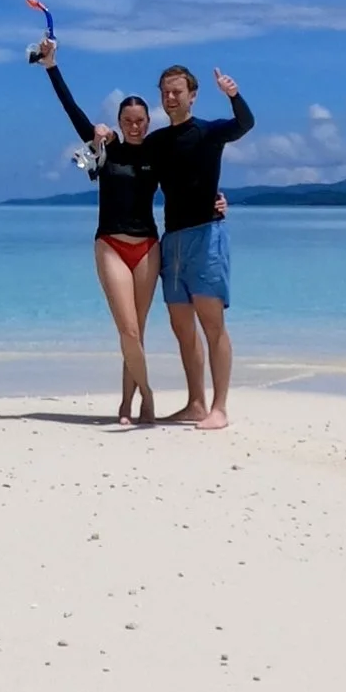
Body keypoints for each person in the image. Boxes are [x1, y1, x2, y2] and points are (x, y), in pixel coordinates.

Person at [31, 37, 163, 425]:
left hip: (148, 247)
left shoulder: (157, 154)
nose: (134, 126)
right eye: (127, 121)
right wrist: (51, 65)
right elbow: (70, 108)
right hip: (111, 244)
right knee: (128, 330)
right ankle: (149, 398)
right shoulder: (105, 148)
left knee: (138, 331)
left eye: (140, 121)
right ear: (119, 123)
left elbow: (190, 181)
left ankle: (126, 404)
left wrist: (216, 201)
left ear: (148, 122)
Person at [150, 63, 252, 428]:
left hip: (207, 236)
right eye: (165, 92)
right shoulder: (157, 142)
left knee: (213, 325)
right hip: (173, 240)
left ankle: (219, 408)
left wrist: (233, 94)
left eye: (177, 91)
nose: (170, 97)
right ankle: (196, 402)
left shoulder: (208, 133)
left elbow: (244, 124)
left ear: (192, 95)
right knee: (182, 328)